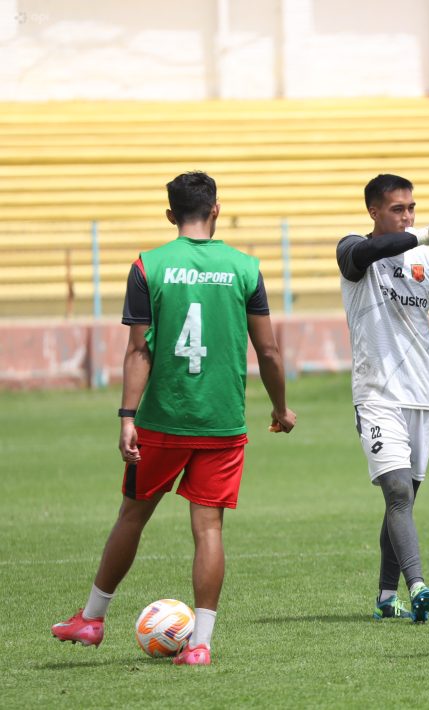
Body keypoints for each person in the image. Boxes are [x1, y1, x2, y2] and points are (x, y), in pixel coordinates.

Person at [51, 171, 296, 666]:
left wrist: (126, 417)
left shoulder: (149, 265)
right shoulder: (245, 267)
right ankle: (201, 645)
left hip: (162, 419)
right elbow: (267, 350)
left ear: (170, 215)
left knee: (133, 515)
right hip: (222, 422)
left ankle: (93, 619)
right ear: (216, 210)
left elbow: (138, 349)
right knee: (209, 529)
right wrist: (279, 406)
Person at [336, 173, 429, 624]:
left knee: (404, 501)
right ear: (374, 212)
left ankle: (384, 596)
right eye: (398, 209)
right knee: (396, 491)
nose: (408, 216)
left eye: (412, 208)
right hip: (376, 393)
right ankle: (418, 585)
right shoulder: (353, 250)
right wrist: (419, 234)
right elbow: (369, 251)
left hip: (424, 396)